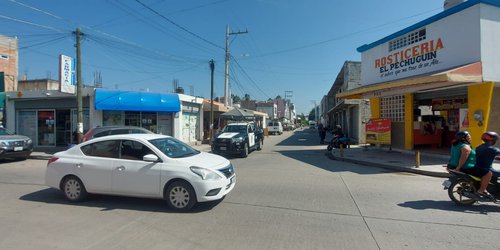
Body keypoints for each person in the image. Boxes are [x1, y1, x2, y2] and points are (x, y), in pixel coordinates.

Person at [447, 131, 493, 198]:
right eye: (468, 136)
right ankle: (481, 191)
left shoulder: (455, 144)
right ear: (463, 138)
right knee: (488, 173)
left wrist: (449, 165)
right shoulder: (466, 147)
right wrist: (458, 168)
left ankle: (480, 186)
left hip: (453, 165)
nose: (470, 137)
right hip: (466, 167)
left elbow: (453, 156)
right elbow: (463, 159)